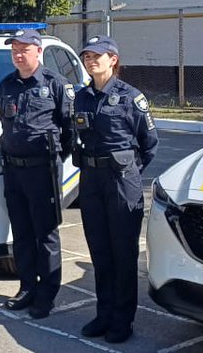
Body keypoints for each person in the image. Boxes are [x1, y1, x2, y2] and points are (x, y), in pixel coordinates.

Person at [73, 35, 159, 344]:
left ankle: (123, 319)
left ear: (113, 60)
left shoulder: (130, 97)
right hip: (92, 181)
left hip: (122, 181)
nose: (91, 60)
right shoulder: (82, 97)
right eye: (87, 56)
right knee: (99, 251)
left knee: (122, 252)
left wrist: (128, 173)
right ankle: (104, 313)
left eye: (98, 55)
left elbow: (149, 144)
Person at [0, 28, 74, 320]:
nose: (18, 54)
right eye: (14, 49)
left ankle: (47, 294)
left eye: (24, 49)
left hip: (43, 171)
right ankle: (27, 287)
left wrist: (51, 160)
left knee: (46, 235)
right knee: (23, 233)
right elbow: (5, 124)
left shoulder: (56, 84)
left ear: (38, 51)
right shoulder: (6, 85)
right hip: (13, 170)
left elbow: (69, 130)